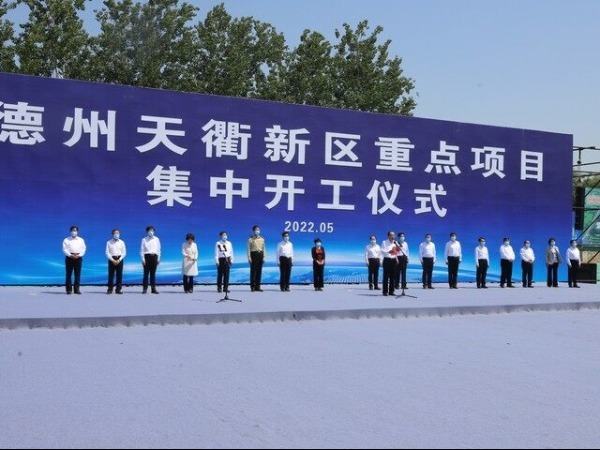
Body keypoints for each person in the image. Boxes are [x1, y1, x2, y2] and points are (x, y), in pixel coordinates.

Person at [62, 225, 86, 295]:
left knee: (77, 274)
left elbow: (84, 249)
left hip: (78, 257)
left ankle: (76, 289)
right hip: (69, 257)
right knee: (69, 274)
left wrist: (79, 255)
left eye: (75, 230)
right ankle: (69, 290)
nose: (73, 232)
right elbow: (64, 249)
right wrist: (70, 255)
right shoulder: (66, 239)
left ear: (77, 231)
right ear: (70, 231)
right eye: (72, 230)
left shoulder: (81, 240)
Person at [140, 225, 161, 294]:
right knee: (145, 274)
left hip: (154, 257)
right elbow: (142, 250)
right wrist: (143, 259)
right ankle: (145, 289)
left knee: (153, 274)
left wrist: (158, 258)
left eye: (152, 230)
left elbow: (159, 250)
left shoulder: (157, 239)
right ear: (147, 232)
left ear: (154, 231)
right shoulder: (144, 239)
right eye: (149, 230)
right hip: (146, 257)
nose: (151, 232)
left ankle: (153, 289)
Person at [105, 228, 126, 294]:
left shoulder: (122, 242)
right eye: (115, 233)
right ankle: (110, 289)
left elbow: (124, 252)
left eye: (117, 233)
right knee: (111, 275)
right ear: (112, 234)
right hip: (112, 259)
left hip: (120, 259)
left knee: (119, 275)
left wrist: (119, 259)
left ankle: (118, 290)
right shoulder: (109, 242)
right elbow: (107, 252)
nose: (116, 234)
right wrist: (112, 260)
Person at [380, 230, 400, 296]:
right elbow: (382, 251)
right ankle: (385, 291)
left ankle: (391, 291)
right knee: (386, 277)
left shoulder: (395, 243)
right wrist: (389, 251)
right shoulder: (384, 242)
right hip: (387, 260)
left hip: (393, 260)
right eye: (391, 235)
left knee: (393, 277)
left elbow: (396, 252)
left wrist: (396, 258)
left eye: (393, 235)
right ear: (388, 236)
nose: (392, 236)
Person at [247, 225, 265, 292]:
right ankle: (252, 287)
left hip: (260, 255)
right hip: (253, 255)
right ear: (253, 231)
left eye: (258, 230)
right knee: (253, 272)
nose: (257, 231)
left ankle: (258, 287)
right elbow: (248, 249)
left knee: (259, 272)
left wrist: (264, 257)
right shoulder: (250, 239)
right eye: (256, 230)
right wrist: (249, 258)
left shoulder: (262, 239)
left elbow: (264, 249)